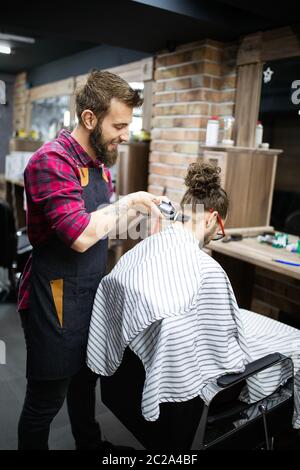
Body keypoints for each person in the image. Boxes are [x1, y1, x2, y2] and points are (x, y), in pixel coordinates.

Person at [87, 161, 300, 432]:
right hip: (191, 391)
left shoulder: (147, 246)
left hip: (134, 377)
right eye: (219, 229)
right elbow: (230, 353)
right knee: (297, 343)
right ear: (212, 218)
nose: (215, 235)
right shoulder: (208, 271)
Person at [17, 70, 164, 450]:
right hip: (57, 297)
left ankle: (90, 444)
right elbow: (81, 235)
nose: (125, 134)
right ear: (89, 118)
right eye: (119, 124)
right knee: (45, 401)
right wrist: (128, 202)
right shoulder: (50, 162)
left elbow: (105, 230)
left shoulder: (100, 162)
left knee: (85, 384)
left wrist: (143, 216)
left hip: (92, 291)